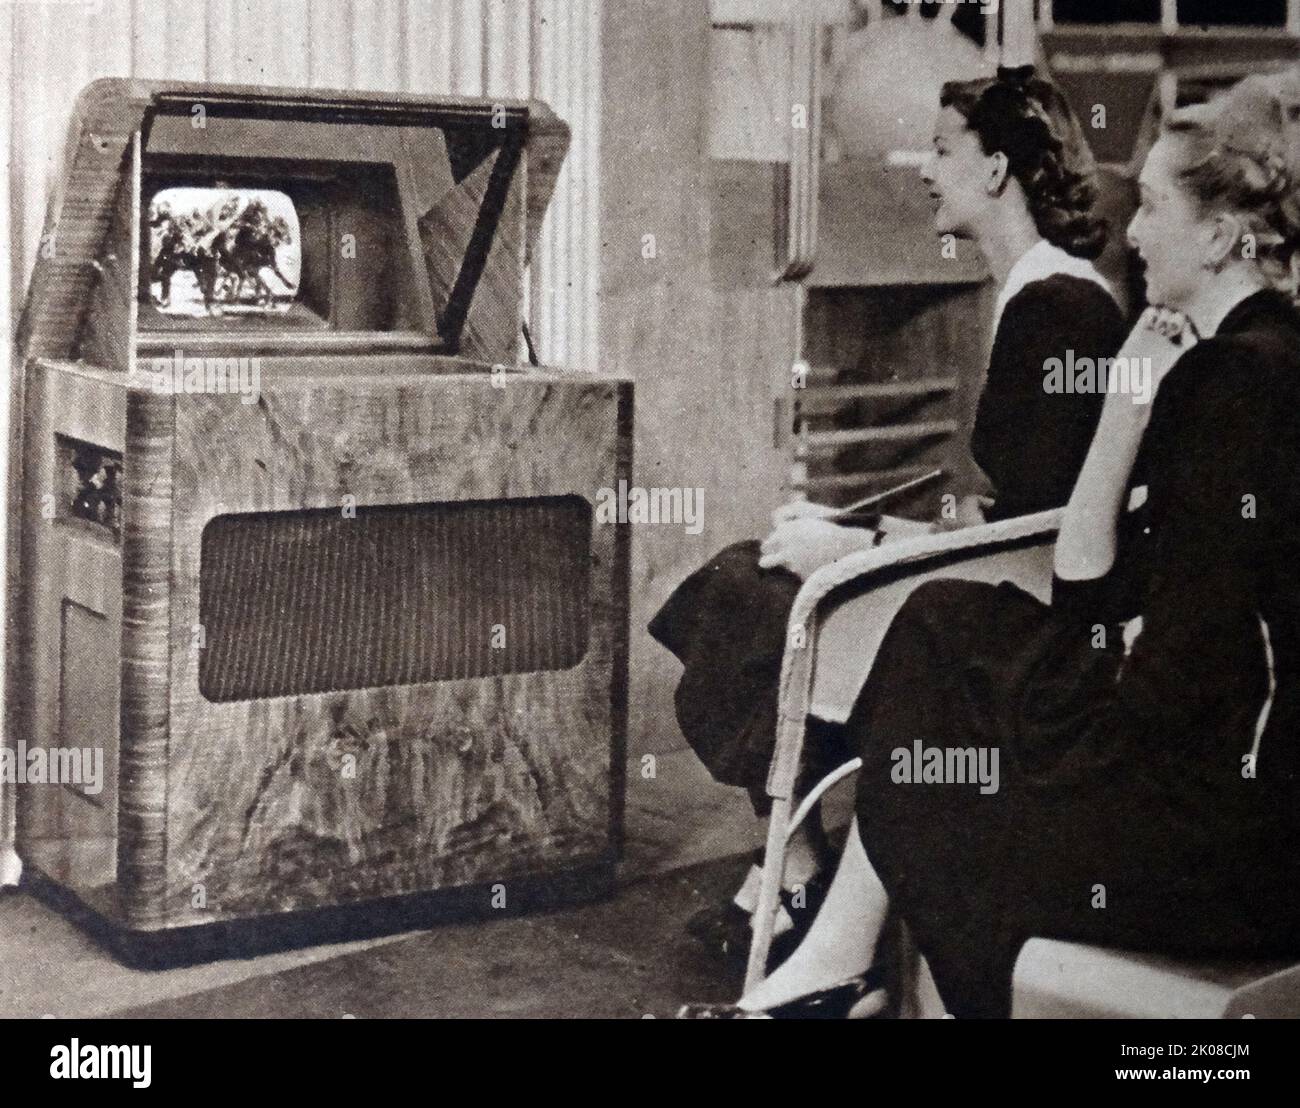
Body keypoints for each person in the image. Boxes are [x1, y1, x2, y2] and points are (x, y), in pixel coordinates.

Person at [680, 69, 1300, 1019]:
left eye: (1156, 209)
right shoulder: (1244, 356)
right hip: (1225, 777)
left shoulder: (1232, 384)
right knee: (948, 634)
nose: (1131, 233)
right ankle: (835, 966)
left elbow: (1178, 676)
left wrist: (1061, 737)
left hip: (1225, 830)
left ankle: (833, 966)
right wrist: (1127, 409)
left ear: (1220, 237)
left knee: (942, 713)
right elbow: (1099, 589)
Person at [650, 67, 1126, 958]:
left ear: (996, 171)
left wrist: (854, 544)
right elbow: (1022, 510)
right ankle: (792, 863)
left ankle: (791, 873)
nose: (922, 169)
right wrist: (865, 534)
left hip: (1015, 621)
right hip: (1003, 578)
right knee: (754, 572)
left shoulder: (1056, 310)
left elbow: (1040, 532)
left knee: (746, 588)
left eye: (943, 149)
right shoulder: (1046, 292)